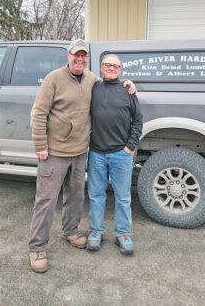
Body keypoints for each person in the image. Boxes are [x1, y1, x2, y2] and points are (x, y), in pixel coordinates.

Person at [28, 40, 135, 273]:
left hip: (79, 152)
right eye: (76, 54)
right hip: (54, 152)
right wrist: (40, 145)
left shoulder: (91, 80)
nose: (79, 59)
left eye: (83, 55)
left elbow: (111, 82)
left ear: (87, 58)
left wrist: (127, 83)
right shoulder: (53, 79)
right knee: (46, 200)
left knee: (75, 197)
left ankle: (70, 232)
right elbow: (38, 113)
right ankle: (37, 247)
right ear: (69, 55)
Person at [86, 54, 143, 255]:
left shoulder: (128, 90)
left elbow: (138, 120)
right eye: (108, 65)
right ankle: (95, 231)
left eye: (116, 66)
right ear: (101, 67)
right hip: (96, 153)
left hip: (121, 153)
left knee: (123, 197)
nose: (111, 68)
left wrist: (130, 146)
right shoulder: (93, 88)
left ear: (120, 69)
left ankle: (123, 234)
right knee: (95, 195)